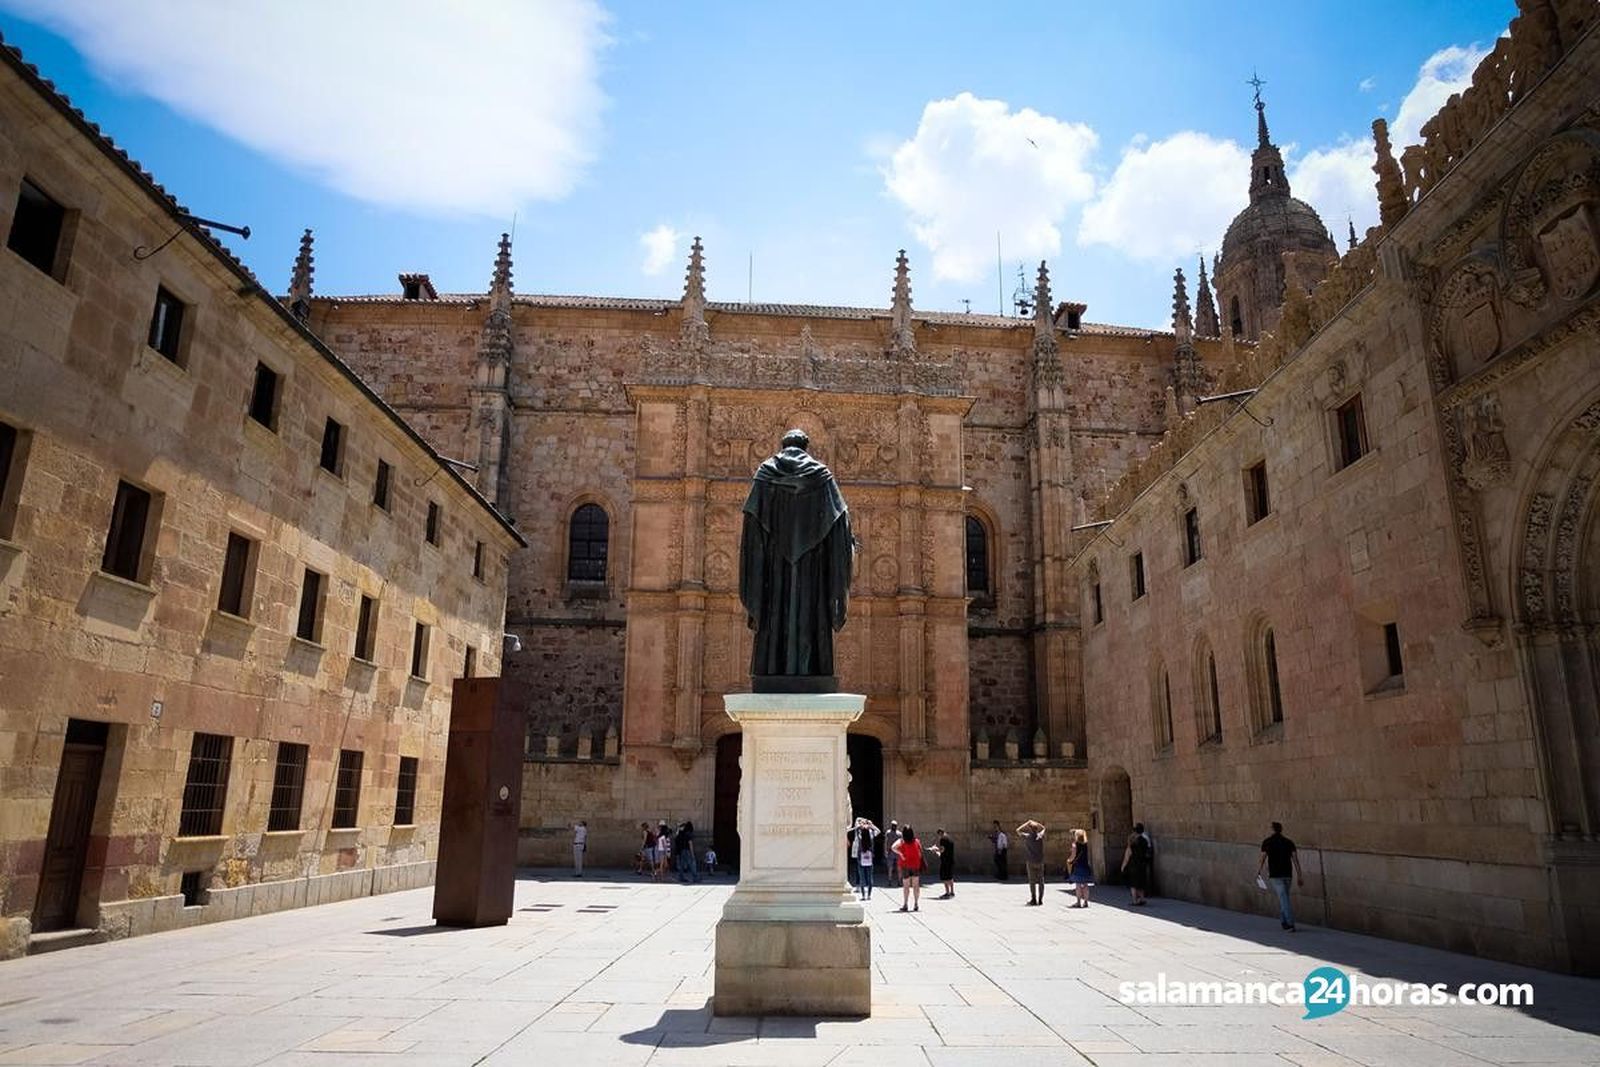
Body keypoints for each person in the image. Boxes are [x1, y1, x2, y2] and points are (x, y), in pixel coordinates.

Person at [739, 429, 855, 690]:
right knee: (809, 618)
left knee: (776, 618)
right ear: (806, 447)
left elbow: (752, 528)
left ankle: (773, 672)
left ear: (782, 446)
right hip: (813, 572)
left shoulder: (765, 474)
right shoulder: (822, 476)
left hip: (773, 570)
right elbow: (840, 521)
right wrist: (846, 545)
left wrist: (756, 570)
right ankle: (810, 670)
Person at [1258, 821, 1304, 931]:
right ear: (1281, 829)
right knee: (1284, 898)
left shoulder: (1267, 842)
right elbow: (1295, 860)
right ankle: (1283, 921)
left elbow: (1262, 858)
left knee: (1284, 898)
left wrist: (1259, 871)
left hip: (1275, 874)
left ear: (1272, 829)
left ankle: (1289, 923)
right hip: (1288, 874)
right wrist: (1299, 875)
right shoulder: (1289, 842)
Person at [892, 826, 923, 912]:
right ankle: (916, 904)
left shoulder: (902, 841)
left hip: (905, 865)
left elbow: (893, 847)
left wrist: (901, 854)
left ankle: (905, 904)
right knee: (916, 886)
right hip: (915, 865)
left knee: (906, 886)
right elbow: (920, 854)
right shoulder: (916, 841)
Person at [1121, 822, 1152, 905]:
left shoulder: (1132, 841)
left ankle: (1135, 900)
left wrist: (1123, 866)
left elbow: (1128, 854)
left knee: (1133, 884)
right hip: (1142, 863)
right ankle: (1142, 898)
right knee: (1141, 882)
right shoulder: (1145, 840)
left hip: (1133, 864)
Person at [1017, 819, 1046, 905]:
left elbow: (1017, 830)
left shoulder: (1027, 836)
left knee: (1032, 881)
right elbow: (1044, 828)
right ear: (1036, 829)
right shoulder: (1040, 836)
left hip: (1030, 861)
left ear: (1030, 829)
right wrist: (1037, 823)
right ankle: (1040, 899)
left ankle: (1033, 899)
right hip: (1040, 861)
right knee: (1041, 881)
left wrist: (1027, 823)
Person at [849, 818, 879, 900]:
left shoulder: (860, 837)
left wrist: (858, 826)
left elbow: (850, 830)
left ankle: (863, 895)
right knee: (870, 878)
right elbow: (878, 831)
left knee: (862, 878)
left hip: (860, 859)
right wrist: (871, 825)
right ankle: (869, 895)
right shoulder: (871, 836)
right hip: (869, 859)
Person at [1066, 828, 1094, 908]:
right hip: (1085, 865)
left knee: (1078, 885)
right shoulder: (1086, 844)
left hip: (1078, 866)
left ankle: (1078, 902)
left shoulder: (1075, 845)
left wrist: (1069, 860)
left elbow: (1073, 856)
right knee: (1085, 885)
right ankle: (1086, 901)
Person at [933, 828, 956, 899]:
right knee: (950, 876)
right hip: (950, 860)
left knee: (945, 877)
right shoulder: (950, 839)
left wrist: (935, 849)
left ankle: (947, 892)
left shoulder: (943, 839)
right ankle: (952, 892)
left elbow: (942, 850)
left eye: (939, 835)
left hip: (945, 861)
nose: (939, 837)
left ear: (940, 833)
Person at [884, 820, 902, 887]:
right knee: (896, 867)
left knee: (892, 867)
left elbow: (886, 842)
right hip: (895, 851)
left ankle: (891, 881)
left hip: (892, 851)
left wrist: (885, 851)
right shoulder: (899, 833)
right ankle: (896, 881)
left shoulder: (889, 832)